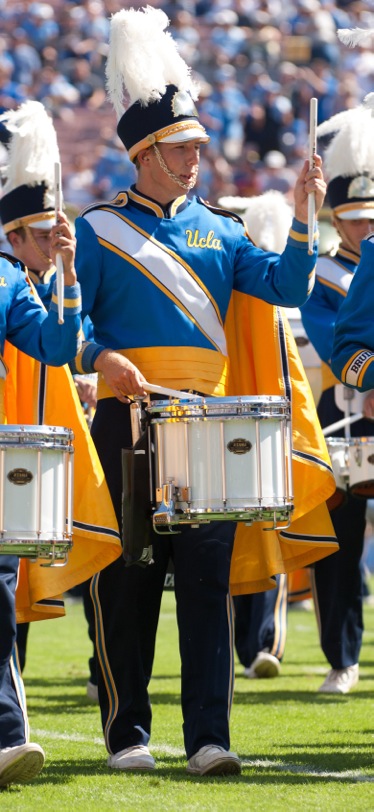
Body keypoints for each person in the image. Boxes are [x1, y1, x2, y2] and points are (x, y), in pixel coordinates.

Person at [71, 7, 337, 777]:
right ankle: (127, 736)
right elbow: (76, 328)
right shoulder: (96, 231)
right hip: (127, 420)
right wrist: (102, 358)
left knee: (205, 588)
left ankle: (208, 739)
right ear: (145, 154)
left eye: (197, 149)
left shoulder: (221, 230)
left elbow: (285, 284)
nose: (195, 160)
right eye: (181, 149)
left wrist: (303, 214)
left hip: (209, 426)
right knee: (130, 584)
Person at [0, 99, 121, 787]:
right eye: (43, 236)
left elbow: (55, 345)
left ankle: (7, 734)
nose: (52, 243)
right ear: (15, 232)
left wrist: (71, 279)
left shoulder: (12, 283)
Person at [301, 101, 374, 694]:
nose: (364, 227)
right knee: (341, 544)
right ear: (336, 219)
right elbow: (331, 343)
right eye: (354, 218)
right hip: (342, 415)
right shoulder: (321, 276)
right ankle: (342, 656)